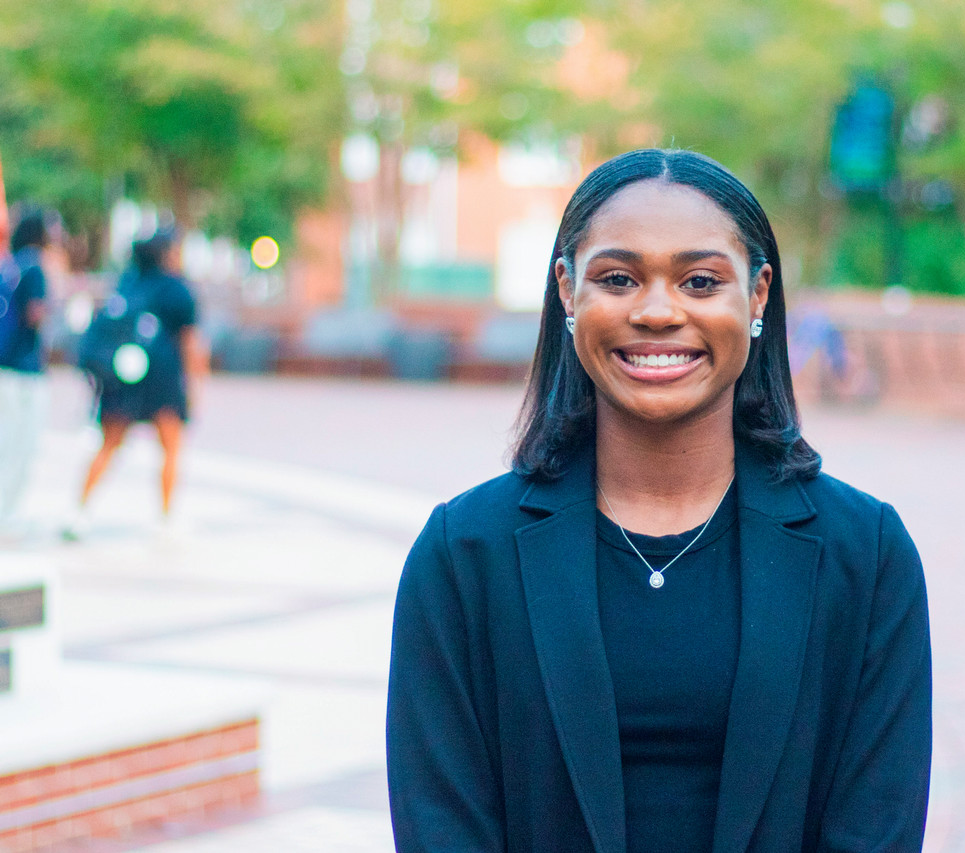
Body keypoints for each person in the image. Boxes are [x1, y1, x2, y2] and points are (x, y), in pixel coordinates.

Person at [386, 149, 932, 853]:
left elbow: (876, 830)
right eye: (618, 278)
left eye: (701, 280)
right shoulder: (463, 556)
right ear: (567, 290)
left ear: (758, 295)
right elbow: (442, 829)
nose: (656, 311)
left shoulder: (867, 556)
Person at [68, 228, 205, 535]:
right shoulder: (177, 289)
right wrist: (195, 385)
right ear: (167, 253)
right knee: (170, 446)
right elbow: (190, 342)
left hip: (123, 378)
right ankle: (167, 518)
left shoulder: (127, 284)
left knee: (109, 444)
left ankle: (80, 511)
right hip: (163, 378)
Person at [0, 207, 56, 531]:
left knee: (6, 440)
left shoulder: (11, 265)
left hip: (5, 364)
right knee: (22, 444)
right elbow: (36, 314)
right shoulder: (36, 268)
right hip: (24, 369)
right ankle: (8, 513)